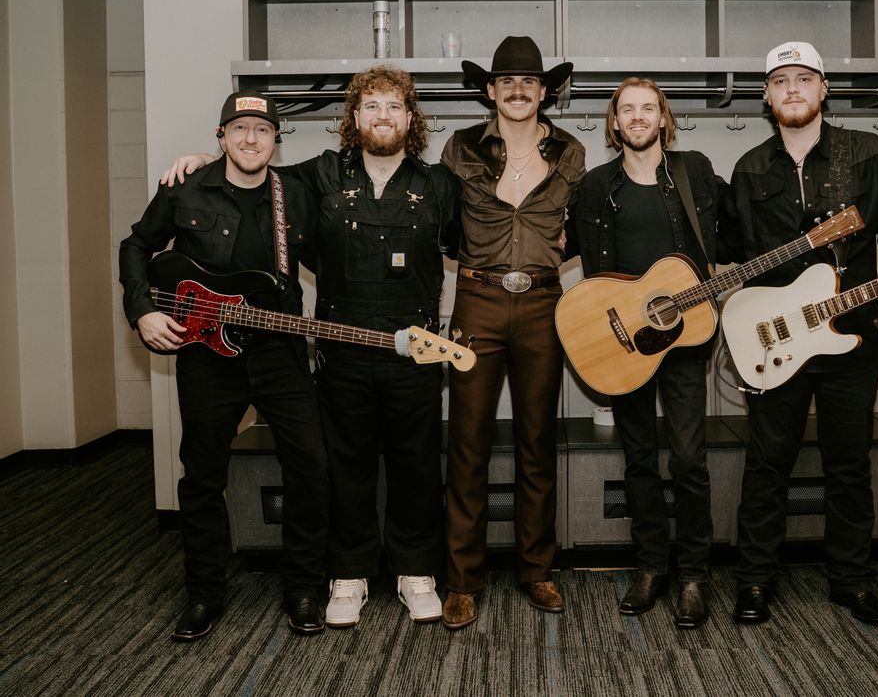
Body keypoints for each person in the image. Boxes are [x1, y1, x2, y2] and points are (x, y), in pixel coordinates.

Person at [160, 67, 461, 628]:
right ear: (352, 117)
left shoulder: (441, 184)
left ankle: (415, 571)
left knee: (415, 466)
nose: (382, 116)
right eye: (370, 106)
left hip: (414, 351)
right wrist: (200, 163)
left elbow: (476, 247)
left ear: (411, 118)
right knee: (343, 467)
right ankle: (348, 574)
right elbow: (250, 174)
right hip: (339, 351)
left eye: (394, 106)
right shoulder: (314, 177)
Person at [719, 41, 878, 626]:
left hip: (852, 338)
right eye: (780, 79)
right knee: (766, 464)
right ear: (766, 95)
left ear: (823, 88)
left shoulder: (867, 153)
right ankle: (755, 581)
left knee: (849, 464)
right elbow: (733, 260)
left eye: (803, 78)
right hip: (775, 342)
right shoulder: (749, 168)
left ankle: (852, 582)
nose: (792, 89)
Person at [119, 91, 330, 641]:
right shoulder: (186, 187)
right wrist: (142, 310)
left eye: (261, 130)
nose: (250, 139)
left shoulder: (296, 195)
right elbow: (136, 246)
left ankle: (304, 587)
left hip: (279, 353)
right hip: (207, 357)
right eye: (238, 129)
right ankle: (204, 594)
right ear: (221, 137)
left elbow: (333, 260)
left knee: (309, 468)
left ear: (276, 139)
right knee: (203, 474)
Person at [566, 78, 728, 629]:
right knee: (638, 460)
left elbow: (738, 232)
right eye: (626, 110)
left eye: (648, 108)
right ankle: (651, 566)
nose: (637, 117)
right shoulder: (593, 187)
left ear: (664, 118)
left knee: (687, 459)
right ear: (615, 123)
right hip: (623, 345)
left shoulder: (695, 172)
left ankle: (692, 575)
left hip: (684, 339)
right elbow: (562, 250)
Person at [440, 36, 586, 630]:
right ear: (491, 91)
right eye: (507, 82)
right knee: (468, 444)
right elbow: (445, 224)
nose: (518, 90)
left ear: (545, 90)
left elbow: (582, 228)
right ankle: (463, 581)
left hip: (544, 304)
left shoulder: (571, 152)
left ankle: (537, 571)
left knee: (536, 442)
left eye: (529, 81)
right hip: (476, 299)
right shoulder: (461, 147)